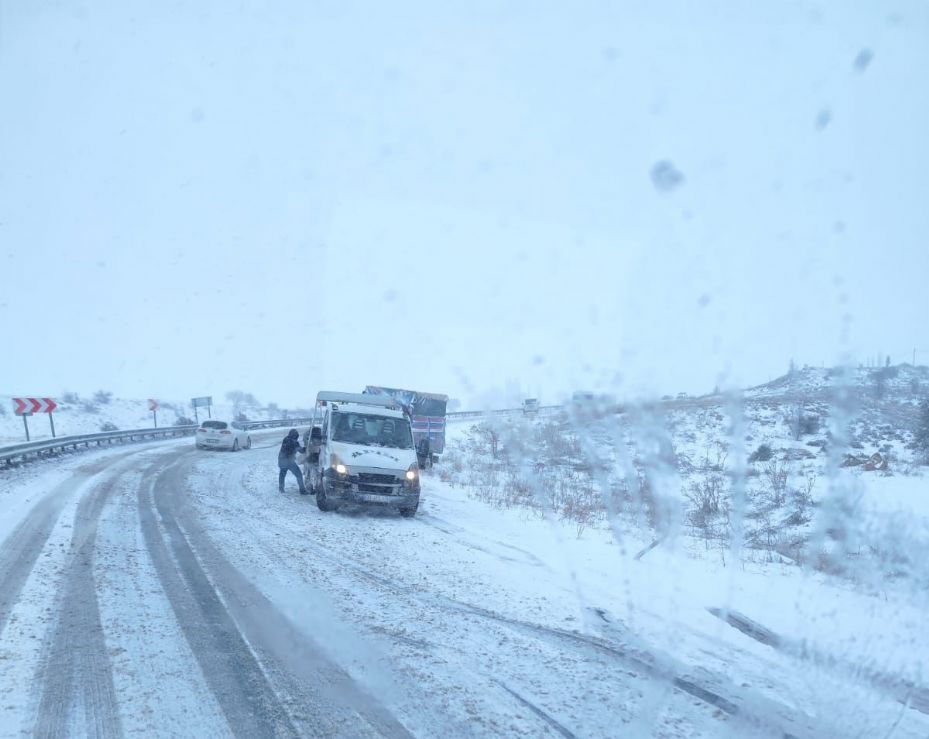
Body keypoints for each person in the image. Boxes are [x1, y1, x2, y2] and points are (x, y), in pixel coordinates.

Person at [278, 429, 308, 494]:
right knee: (299, 475)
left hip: (282, 460)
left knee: (282, 474)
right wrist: (306, 448)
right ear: (295, 436)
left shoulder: (285, 439)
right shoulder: (295, 442)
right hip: (289, 462)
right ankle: (302, 490)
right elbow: (301, 451)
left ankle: (281, 488)